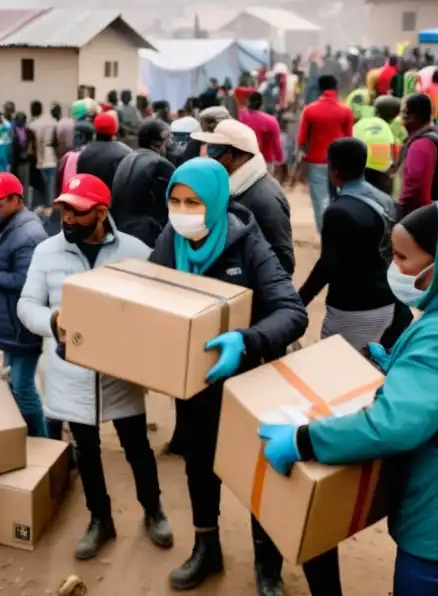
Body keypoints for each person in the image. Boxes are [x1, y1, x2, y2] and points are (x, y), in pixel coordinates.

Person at [260, 202, 438, 595]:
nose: (396, 269)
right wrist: (401, 369)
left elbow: (393, 425)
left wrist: (304, 440)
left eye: (405, 258)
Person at [147, 158, 309, 594]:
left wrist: (248, 339)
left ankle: (266, 564)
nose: (183, 211)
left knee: (260, 474)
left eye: (194, 202)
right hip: (195, 386)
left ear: (217, 201)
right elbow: (145, 296)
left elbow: (292, 313)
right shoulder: (169, 240)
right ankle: (206, 548)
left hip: (250, 382)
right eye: (176, 201)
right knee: (200, 466)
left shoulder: (247, 242)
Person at [17, 174, 172, 560]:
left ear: (102, 212)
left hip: (120, 376)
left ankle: (153, 511)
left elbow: (157, 307)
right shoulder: (47, 253)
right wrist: (52, 322)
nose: (67, 219)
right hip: (70, 375)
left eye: (78, 212)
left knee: (137, 445)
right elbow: (26, 305)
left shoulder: (135, 252)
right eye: (64, 210)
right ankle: (99, 519)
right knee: (86, 451)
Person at [299, 138, 398, 350]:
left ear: (334, 171)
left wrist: (299, 300)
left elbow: (328, 265)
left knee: (341, 367)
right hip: (386, 301)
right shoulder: (384, 199)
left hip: (353, 309)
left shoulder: (338, 211)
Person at [0, 173, 49, 437]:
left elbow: (27, 281)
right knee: (14, 386)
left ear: (16, 200)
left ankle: (46, 446)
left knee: (23, 389)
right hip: (10, 324)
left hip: (22, 327)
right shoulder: (9, 226)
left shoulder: (27, 235)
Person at [195, 120, 295, 275]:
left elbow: (284, 261)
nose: (209, 157)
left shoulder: (264, 199)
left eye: (214, 150)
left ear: (229, 155)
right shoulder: (238, 188)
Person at [297, 74, 354, 234]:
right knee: (341, 197)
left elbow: (301, 139)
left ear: (319, 89)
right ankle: (340, 232)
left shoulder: (309, 110)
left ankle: (326, 236)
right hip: (340, 161)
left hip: (316, 161)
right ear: (336, 88)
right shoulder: (345, 110)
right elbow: (350, 138)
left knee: (320, 199)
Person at [110, 118, 176, 247]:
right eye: (168, 139)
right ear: (156, 143)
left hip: (118, 231)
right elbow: (167, 209)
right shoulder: (160, 165)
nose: (171, 144)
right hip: (145, 237)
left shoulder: (128, 157)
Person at [396, 93, 438, 219]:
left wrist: (400, 213)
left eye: (403, 113)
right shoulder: (431, 137)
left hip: (418, 219)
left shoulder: (421, 145)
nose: (401, 118)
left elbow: (415, 189)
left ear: (411, 116)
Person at [76, 111, 132, 193]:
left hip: (90, 201)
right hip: (114, 202)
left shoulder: (83, 153)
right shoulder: (126, 152)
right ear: (114, 129)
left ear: (95, 129)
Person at [353, 98, 399, 195]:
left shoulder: (362, 122)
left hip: (361, 168)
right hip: (382, 171)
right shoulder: (391, 128)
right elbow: (395, 151)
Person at [239, 92, 284, 178]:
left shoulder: (241, 118)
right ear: (261, 103)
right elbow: (276, 143)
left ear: (248, 101)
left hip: (244, 162)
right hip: (265, 162)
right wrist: (279, 159)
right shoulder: (270, 121)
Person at [27, 101, 59, 207]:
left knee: (41, 186)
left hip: (40, 159)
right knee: (51, 185)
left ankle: (41, 207)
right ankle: (50, 207)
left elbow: (33, 144)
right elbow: (56, 141)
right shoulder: (53, 122)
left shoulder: (33, 125)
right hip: (52, 157)